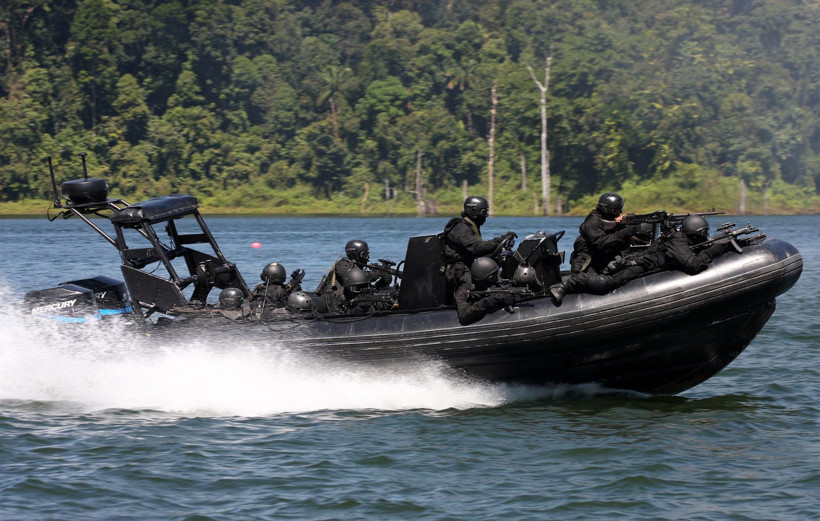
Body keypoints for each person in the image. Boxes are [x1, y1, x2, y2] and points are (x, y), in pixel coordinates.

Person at [551, 214, 734, 302]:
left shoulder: (681, 239)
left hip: (642, 262)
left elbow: (695, 252)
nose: (705, 237)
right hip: (640, 265)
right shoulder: (677, 240)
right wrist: (716, 248)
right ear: (696, 233)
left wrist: (720, 241)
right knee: (605, 284)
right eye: (704, 234)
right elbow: (692, 264)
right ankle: (568, 284)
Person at [550, 192, 643, 303]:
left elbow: (616, 242)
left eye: (620, 210)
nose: (618, 213)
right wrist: (625, 232)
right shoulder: (592, 222)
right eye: (615, 211)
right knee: (599, 282)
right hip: (586, 266)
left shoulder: (608, 222)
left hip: (599, 262)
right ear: (606, 210)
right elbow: (602, 243)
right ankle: (566, 285)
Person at [442, 196, 517, 297]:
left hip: (469, 262)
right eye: (484, 212)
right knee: (471, 289)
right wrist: (498, 241)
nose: (485, 216)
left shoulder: (471, 226)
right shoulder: (461, 228)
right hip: (459, 269)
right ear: (473, 211)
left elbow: (478, 248)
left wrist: (499, 248)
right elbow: (475, 247)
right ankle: (469, 299)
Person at [315, 239, 391, 298]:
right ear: (354, 254)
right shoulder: (342, 265)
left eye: (367, 254)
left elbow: (366, 288)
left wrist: (383, 281)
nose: (367, 258)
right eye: (364, 255)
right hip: (335, 302)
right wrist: (376, 274)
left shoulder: (359, 268)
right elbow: (356, 279)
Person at [455, 256, 516, 325]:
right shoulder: (464, 287)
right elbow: (463, 315)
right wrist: (488, 301)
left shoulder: (493, 273)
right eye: (492, 278)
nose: (497, 278)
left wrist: (511, 295)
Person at [317, 267, 396, 314]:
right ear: (349, 288)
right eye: (357, 288)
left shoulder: (372, 300)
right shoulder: (334, 301)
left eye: (364, 287)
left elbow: (382, 306)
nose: (361, 291)